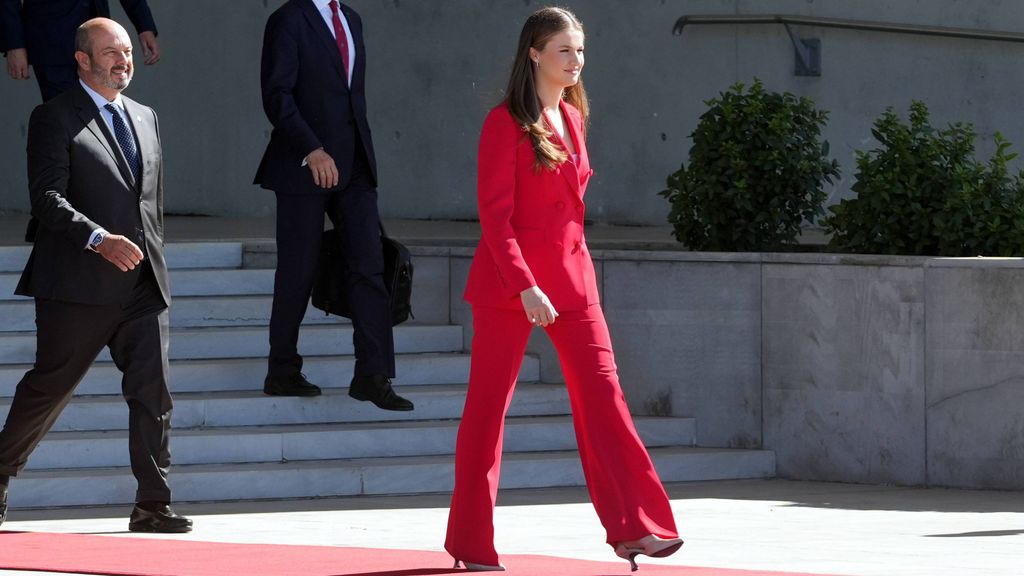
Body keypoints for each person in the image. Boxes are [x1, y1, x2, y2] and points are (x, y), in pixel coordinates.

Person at [444, 7, 682, 572]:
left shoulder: (574, 118)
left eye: (580, 52)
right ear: (534, 53)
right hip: (511, 285)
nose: (576, 62)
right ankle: (471, 544)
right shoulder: (504, 123)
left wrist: (561, 282)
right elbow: (495, 219)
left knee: (605, 399)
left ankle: (638, 528)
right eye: (564, 51)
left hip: (575, 283)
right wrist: (525, 286)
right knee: (487, 413)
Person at [0, 17, 190, 534]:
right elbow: (46, 198)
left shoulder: (146, 117)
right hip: (78, 285)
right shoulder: (54, 117)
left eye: (126, 51)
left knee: (153, 393)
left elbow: (149, 203)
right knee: (49, 388)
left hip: (142, 284)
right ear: (82, 59)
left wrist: (151, 258)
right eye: (110, 52)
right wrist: (98, 239)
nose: (122, 60)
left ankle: (153, 504)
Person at [254, 0, 413, 412]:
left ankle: (372, 376)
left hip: (355, 164)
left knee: (370, 265)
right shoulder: (288, 19)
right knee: (298, 270)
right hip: (303, 164)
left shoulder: (352, 20)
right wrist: (312, 149)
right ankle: (282, 370)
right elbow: (277, 94)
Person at [0, 0, 161, 101]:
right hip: (52, 41)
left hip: (99, 40)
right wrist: (14, 45)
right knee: (63, 118)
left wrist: (144, 25)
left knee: (102, 112)